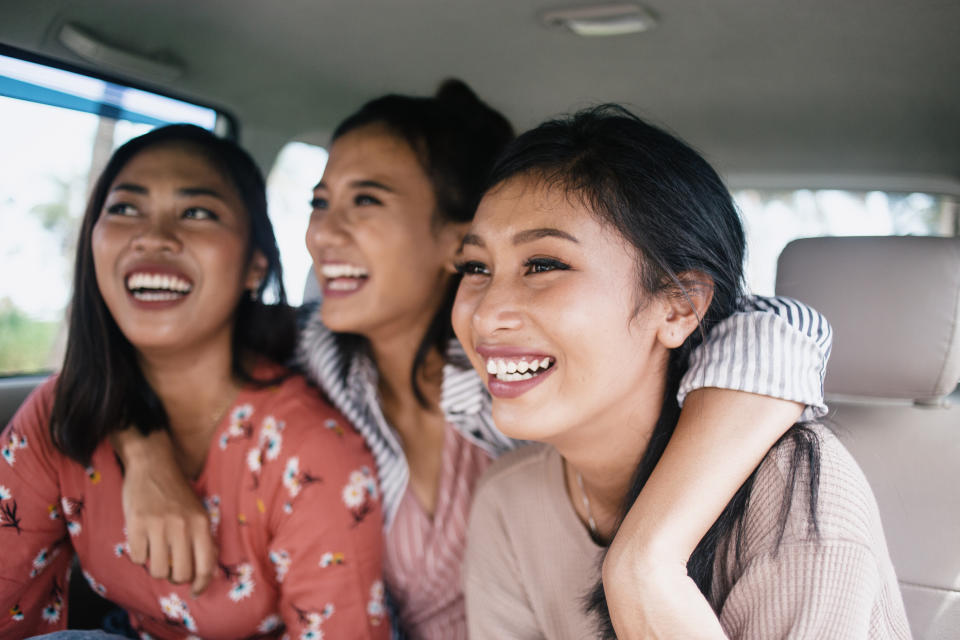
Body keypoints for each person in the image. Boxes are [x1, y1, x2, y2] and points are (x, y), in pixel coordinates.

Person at [118, 81, 833, 639]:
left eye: (364, 201)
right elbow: (152, 346)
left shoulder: (515, 379)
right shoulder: (319, 357)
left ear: (448, 239)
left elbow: (778, 328)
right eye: (317, 201)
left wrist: (646, 557)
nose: (321, 234)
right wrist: (144, 456)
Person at [457, 106, 910, 639]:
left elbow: (788, 328)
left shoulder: (792, 488)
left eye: (544, 265)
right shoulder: (508, 499)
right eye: (476, 268)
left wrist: (643, 571)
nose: (486, 313)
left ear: (677, 306)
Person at [0, 125, 387, 639]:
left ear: (255, 265)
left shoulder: (310, 451)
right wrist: (141, 446)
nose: (154, 235)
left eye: (197, 213)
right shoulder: (63, 412)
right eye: (125, 209)